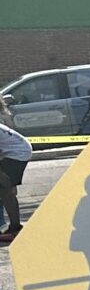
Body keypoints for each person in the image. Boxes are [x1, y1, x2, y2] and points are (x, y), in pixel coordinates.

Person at [0, 99, 30, 245]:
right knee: (6, 188)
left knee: (4, 187)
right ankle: (13, 225)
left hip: (18, 153)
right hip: (15, 151)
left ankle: (15, 227)